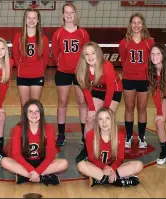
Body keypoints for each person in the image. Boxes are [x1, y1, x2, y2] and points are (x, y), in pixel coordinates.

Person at [0, 99, 68, 185]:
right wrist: (31, 170)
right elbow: (16, 154)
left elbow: (51, 154)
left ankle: (25, 176)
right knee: (4, 161)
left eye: (37, 111)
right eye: (30, 111)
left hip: (42, 163)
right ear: (26, 114)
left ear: (41, 113)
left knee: (64, 163)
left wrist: (38, 171)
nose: (34, 114)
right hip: (24, 163)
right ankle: (42, 177)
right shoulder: (19, 128)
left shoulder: (48, 128)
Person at [75, 41, 123, 162]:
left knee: (106, 119)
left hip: (113, 91)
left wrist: (104, 110)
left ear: (98, 54)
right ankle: (86, 149)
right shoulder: (82, 68)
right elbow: (86, 89)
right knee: (90, 119)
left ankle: (110, 149)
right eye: (87, 54)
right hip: (97, 89)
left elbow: (111, 89)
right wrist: (91, 109)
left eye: (93, 53)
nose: (90, 57)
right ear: (83, 56)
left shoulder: (106, 65)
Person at [52, 3, 90, 152]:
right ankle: (61, 134)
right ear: (63, 15)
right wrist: (63, 64)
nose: (69, 15)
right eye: (66, 13)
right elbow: (55, 53)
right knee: (62, 102)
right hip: (63, 72)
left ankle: (84, 133)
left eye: (71, 12)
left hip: (80, 72)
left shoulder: (83, 33)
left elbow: (88, 52)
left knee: (82, 102)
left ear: (75, 14)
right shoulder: (58, 34)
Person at [76, 107, 143, 187]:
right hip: (97, 167)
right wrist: (105, 167)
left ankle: (100, 180)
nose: (104, 122)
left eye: (107, 118)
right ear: (97, 122)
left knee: (139, 165)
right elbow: (92, 158)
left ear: (112, 120)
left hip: (114, 167)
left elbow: (120, 158)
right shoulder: (90, 135)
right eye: (100, 119)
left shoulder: (120, 136)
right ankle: (117, 181)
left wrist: (112, 169)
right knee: (81, 165)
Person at [119, 12, 155, 149]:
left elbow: (153, 60)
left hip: (143, 80)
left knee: (142, 108)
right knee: (129, 108)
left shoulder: (149, 41)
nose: (136, 25)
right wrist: (130, 70)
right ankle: (128, 137)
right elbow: (123, 60)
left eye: (139, 23)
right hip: (128, 79)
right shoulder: (124, 42)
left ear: (143, 24)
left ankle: (141, 137)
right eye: (134, 22)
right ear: (130, 25)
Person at [12, 8, 49, 108]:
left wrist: (40, 69)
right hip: (22, 75)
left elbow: (45, 58)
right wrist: (20, 67)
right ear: (25, 19)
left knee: (34, 105)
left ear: (38, 20)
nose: (31, 20)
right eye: (29, 18)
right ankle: (24, 124)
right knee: (24, 106)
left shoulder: (43, 39)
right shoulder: (18, 37)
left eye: (34, 18)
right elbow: (15, 55)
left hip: (37, 75)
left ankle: (35, 123)